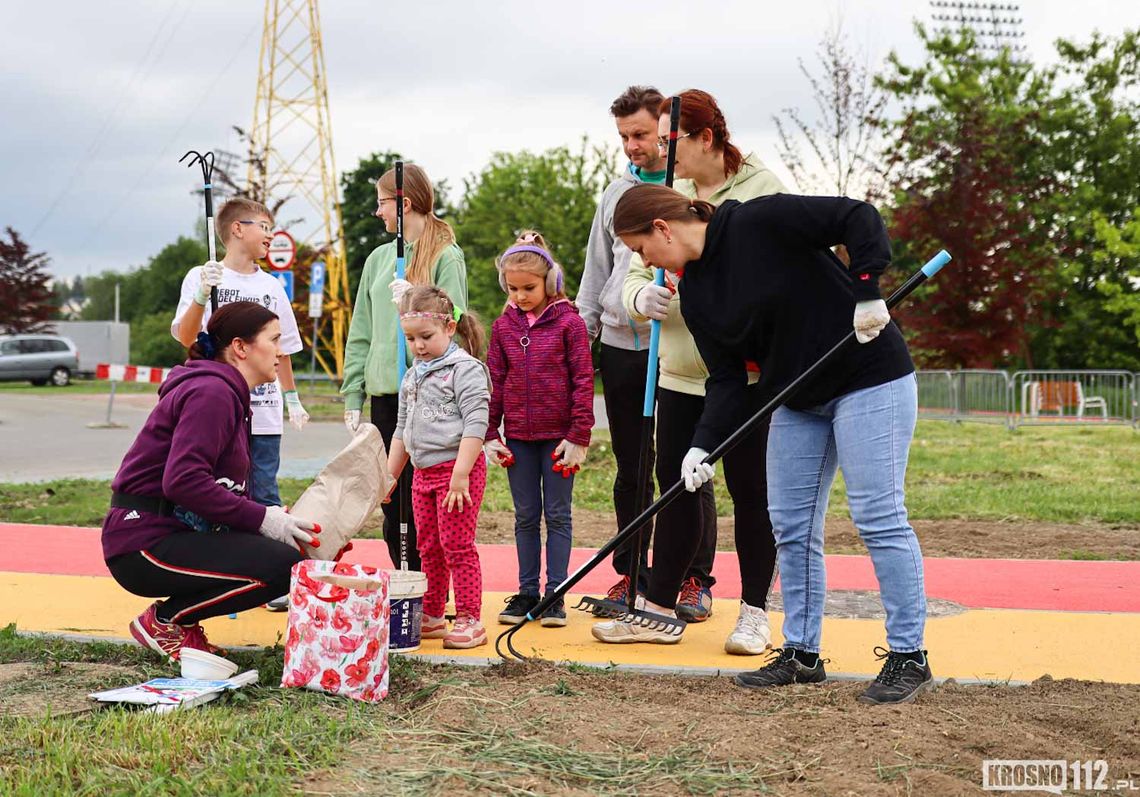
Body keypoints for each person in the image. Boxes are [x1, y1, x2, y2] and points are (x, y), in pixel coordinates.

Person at [612, 183, 933, 705]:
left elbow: (859, 217)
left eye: (639, 247)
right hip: (798, 397)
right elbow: (727, 380)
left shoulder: (760, 220)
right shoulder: (696, 294)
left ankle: (908, 656)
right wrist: (702, 446)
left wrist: (868, 289)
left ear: (663, 229)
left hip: (870, 376)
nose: (643, 260)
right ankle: (803, 653)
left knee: (877, 515)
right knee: (791, 523)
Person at [596, 89, 784, 650]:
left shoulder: (761, 188)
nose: (662, 155)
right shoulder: (669, 190)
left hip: (746, 377)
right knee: (675, 487)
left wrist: (703, 288)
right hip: (679, 371)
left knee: (751, 494)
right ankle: (657, 608)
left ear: (706, 138)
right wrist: (639, 302)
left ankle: (754, 612)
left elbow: (766, 277)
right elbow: (634, 271)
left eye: (672, 144)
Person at [104, 302, 320, 662]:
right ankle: (166, 621)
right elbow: (184, 482)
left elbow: (221, 490)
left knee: (291, 555)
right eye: (275, 339)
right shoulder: (213, 394)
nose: (282, 352)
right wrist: (264, 520)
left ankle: (176, 623)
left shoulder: (227, 393)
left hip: (170, 533)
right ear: (240, 347)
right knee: (284, 568)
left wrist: (274, 520)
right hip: (143, 542)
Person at [343, 163, 469, 574]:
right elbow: (361, 327)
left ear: (404, 203)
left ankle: (429, 589)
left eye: (381, 203)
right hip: (385, 391)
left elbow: (458, 316)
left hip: (429, 393)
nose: (377, 212)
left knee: (426, 501)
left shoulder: (446, 254)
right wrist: (353, 392)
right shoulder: (378, 259)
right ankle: (402, 581)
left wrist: (417, 300)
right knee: (391, 497)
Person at [485, 232, 594, 628]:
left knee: (559, 516)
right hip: (518, 440)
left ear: (550, 284)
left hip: (560, 440)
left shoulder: (571, 324)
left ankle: (556, 594)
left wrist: (579, 434)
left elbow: (584, 381)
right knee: (525, 516)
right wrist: (489, 435)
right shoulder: (502, 328)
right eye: (512, 288)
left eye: (528, 288)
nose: (519, 296)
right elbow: (494, 381)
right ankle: (527, 591)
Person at [173, 197, 309, 508]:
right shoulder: (202, 276)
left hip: (263, 412)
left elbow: (283, 348)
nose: (270, 235)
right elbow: (185, 336)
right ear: (237, 229)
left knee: (263, 495)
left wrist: (292, 398)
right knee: (219, 492)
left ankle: (269, 554)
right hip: (216, 408)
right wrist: (202, 294)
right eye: (263, 227)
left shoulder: (272, 287)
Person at [384, 285, 490, 649]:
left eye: (426, 336)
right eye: (410, 338)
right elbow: (401, 428)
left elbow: (477, 424)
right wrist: (389, 475)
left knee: (457, 545)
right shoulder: (413, 375)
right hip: (423, 473)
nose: (418, 345)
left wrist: (461, 474)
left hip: (456, 472)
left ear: (449, 327)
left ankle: (469, 617)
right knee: (427, 545)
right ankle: (431, 612)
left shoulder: (466, 370)